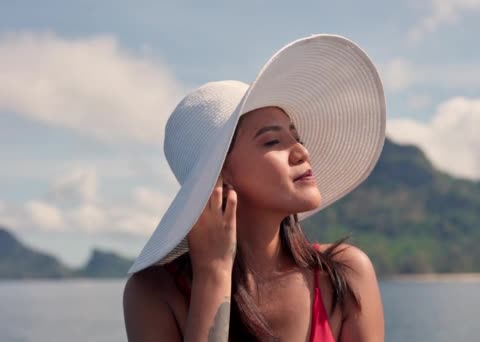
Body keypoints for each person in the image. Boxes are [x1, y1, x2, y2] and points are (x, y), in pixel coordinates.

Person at [123, 34, 386, 341]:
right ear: (220, 175)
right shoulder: (154, 293)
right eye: (273, 140)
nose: (302, 151)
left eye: (296, 136)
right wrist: (213, 275)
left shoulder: (345, 274)